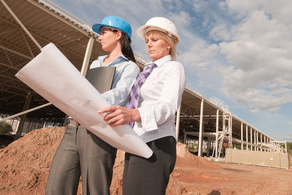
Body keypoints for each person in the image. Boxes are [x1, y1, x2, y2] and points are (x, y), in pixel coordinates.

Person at [45, 16, 139, 195]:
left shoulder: (130, 67)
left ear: (118, 34)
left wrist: (87, 101)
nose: (99, 37)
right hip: (74, 128)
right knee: (57, 184)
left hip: (99, 130)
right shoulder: (96, 62)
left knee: (94, 188)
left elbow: (120, 94)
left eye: (103, 32)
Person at [98, 17, 186, 195]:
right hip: (138, 141)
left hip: (157, 144)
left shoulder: (173, 68)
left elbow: (168, 107)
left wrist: (133, 114)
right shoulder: (146, 71)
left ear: (168, 44)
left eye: (154, 40)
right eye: (147, 41)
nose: (148, 45)